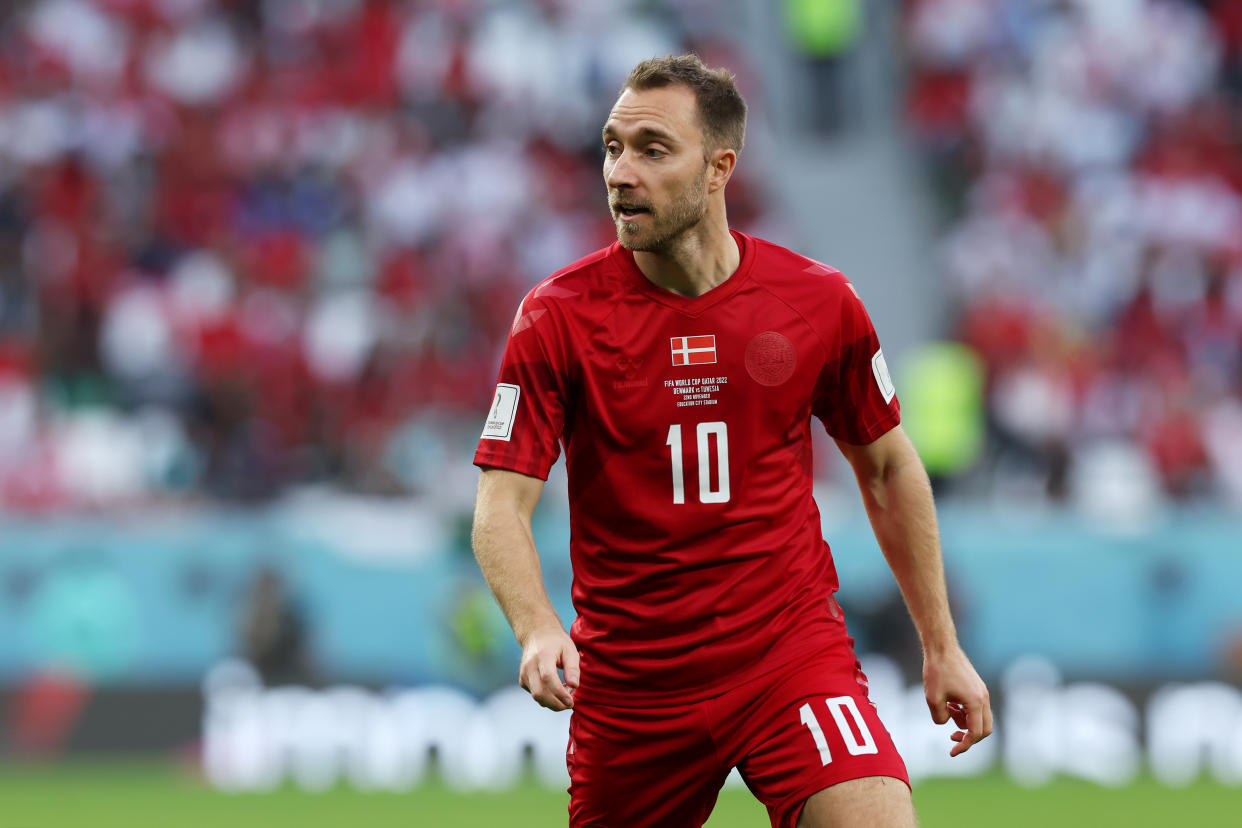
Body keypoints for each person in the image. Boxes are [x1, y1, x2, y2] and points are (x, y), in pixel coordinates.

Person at [471, 54, 991, 828]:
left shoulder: (816, 301)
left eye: (652, 149)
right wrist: (538, 628)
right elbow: (499, 508)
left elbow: (885, 468)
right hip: (634, 684)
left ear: (719, 169)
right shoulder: (559, 317)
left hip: (787, 654)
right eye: (612, 146)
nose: (620, 172)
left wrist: (941, 643)